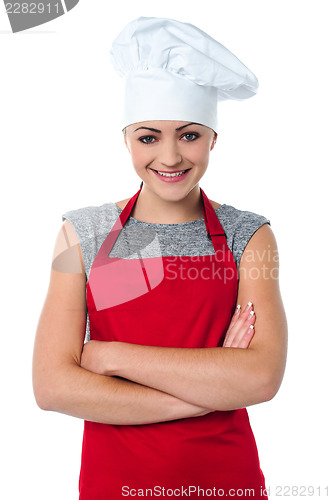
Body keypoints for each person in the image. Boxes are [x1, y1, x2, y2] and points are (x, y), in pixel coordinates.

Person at [32, 17, 288, 500]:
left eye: (189, 135)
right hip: (115, 484)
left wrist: (108, 356)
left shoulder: (249, 236)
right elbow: (52, 387)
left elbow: (260, 377)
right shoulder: (80, 233)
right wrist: (208, 389)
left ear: (214, 138)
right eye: (149, 137)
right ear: (126, 139)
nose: (170, 157)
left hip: (224, 482)